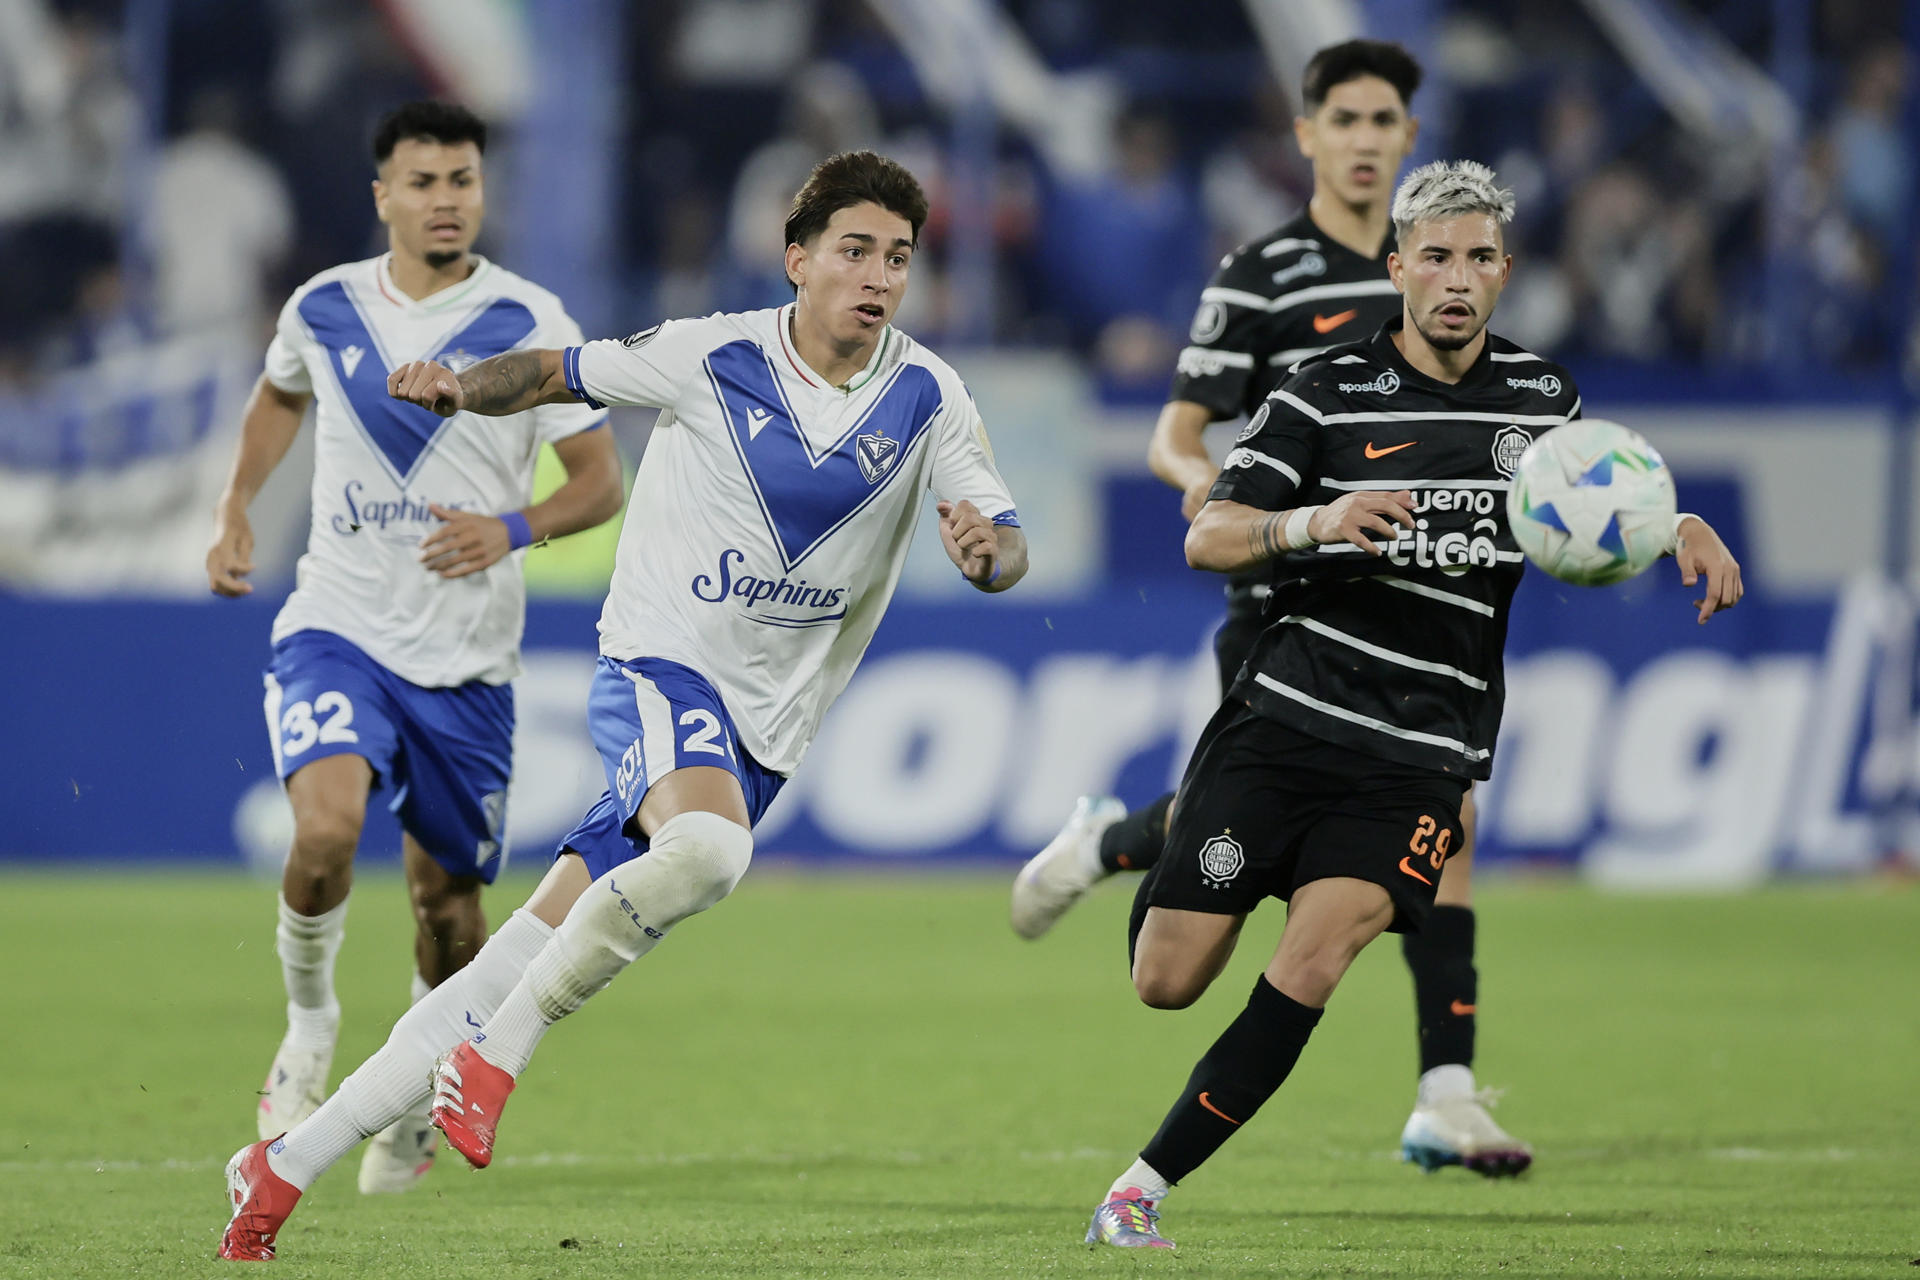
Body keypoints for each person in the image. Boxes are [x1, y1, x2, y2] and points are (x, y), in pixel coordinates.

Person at [217, 149, 1029, 1261]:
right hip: (658, 666)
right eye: (854, 250)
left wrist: (989, 554)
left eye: (898, 255)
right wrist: (462, 382)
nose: (879, 274)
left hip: (763, 728)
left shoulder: (930, 393)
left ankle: (282, 1163)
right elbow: (554, 370)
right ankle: (499, 1052)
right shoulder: (712, 352)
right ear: (798, 260)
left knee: (511, 951)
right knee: (708, 852)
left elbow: (1000, 534)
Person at [1082, 159, 1743, 1250]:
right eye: (1434, 255)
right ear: (1397, 268)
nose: (1457, 278)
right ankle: (1144, 850)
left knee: (1317, 958)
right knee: (1167, 977)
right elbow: (1209, 535)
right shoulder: (1325, 391)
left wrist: (1682, 528)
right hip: (1284, 723)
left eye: (1479, 257)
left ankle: (1139, 1188)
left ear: (1505, 272)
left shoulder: (1544, 401)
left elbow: (1611, 499)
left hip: (1418, 758)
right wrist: (1316, 521)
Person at [1013, 39, 1526, 1175]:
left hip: (1421, 622)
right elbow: (1177, 429)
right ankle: (1109, 842)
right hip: (1280, 597)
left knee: (1445, 829)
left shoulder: (1445, 269)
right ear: (1306, 136)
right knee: (1229, 835)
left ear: (1408, 138)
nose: (1363, 140)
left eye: (1384, 121)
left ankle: (1446, 1085)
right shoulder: (1263, 273)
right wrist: (1222, 495)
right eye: (1342, 119)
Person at [203, 101, 624, 1196]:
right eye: (424, 180)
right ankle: (308, 1023)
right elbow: (277, 397)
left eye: (463, 180)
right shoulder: (324, 305)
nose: (446, 199)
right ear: (382, 193)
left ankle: (416, 1076)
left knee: (448, 908)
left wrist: (515, 527)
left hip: (470, 664)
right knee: (326, 827)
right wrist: (238, 505)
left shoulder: (530, 319)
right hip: (339, 625)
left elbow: (600, 481)